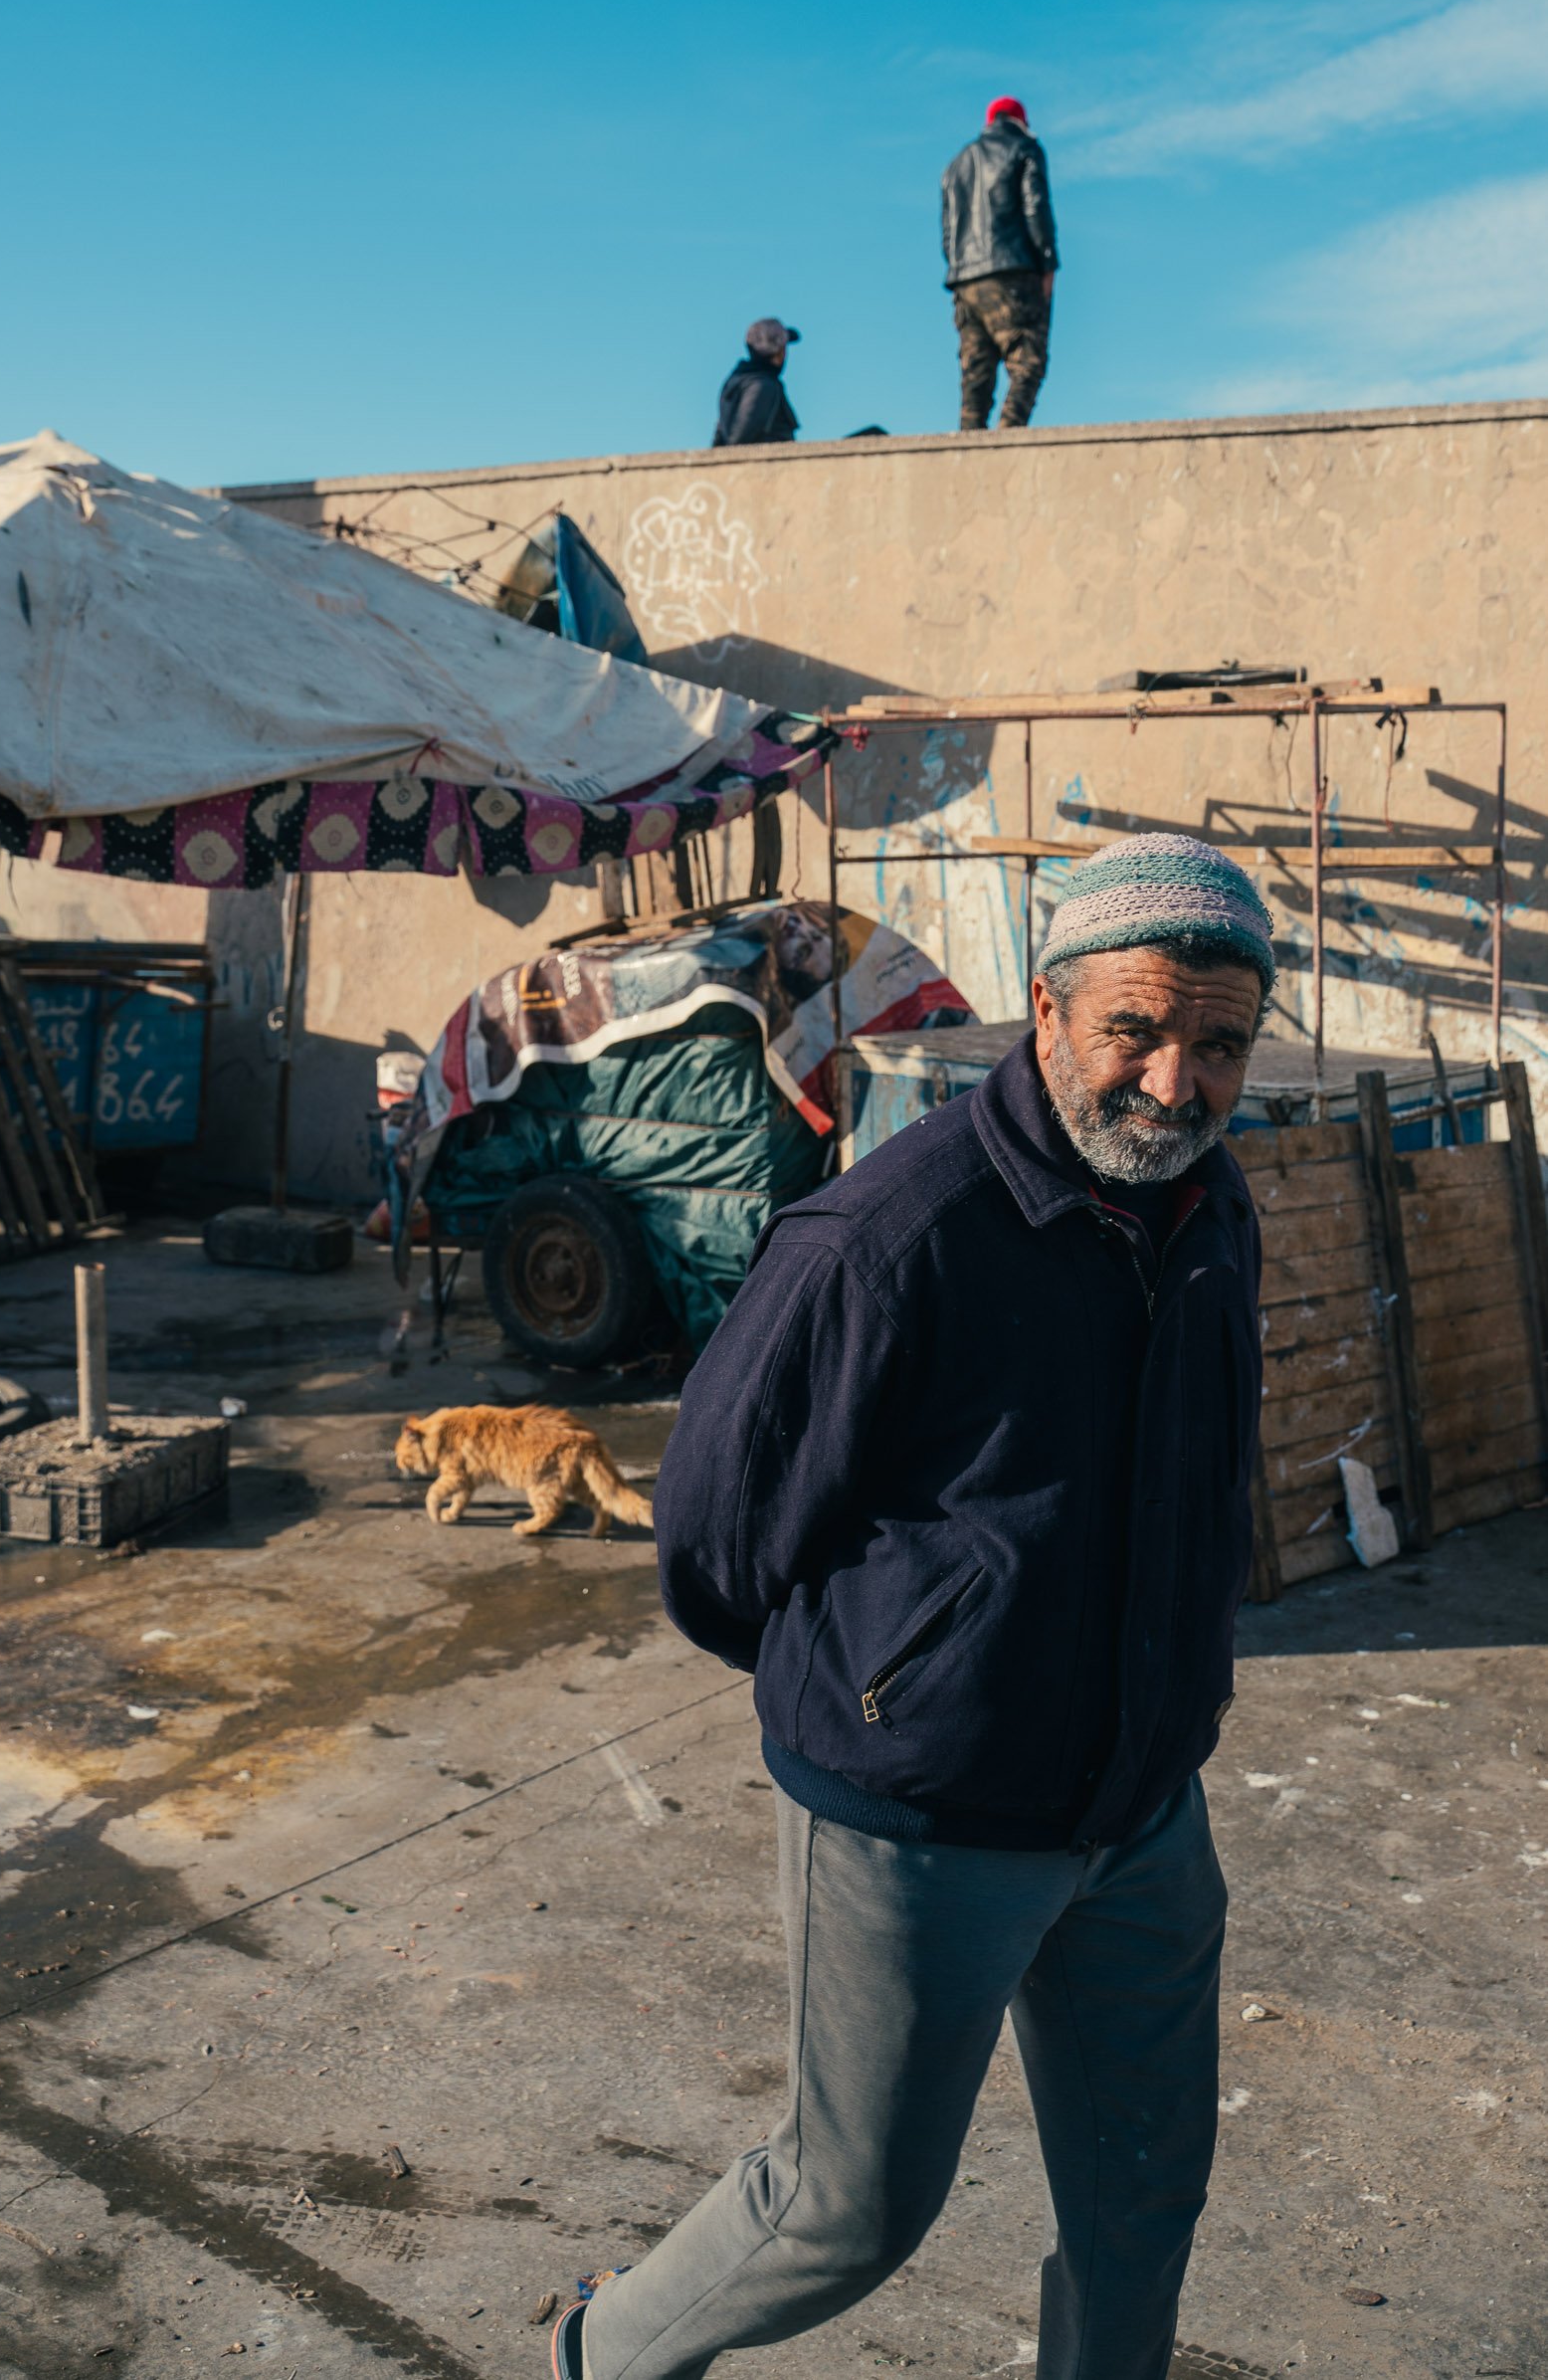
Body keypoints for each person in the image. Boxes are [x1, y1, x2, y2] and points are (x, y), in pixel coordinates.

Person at [551, 834, 1274, 2380]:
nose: (1173, 1084)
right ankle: (596, 2355)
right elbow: (712, 1536)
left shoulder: (1211, 1210)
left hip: (1141, 1813)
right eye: (1134, 1031)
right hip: (919, 1829)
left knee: (1142, 2200)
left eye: (1217, 1045)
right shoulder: (889, 1237)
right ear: (1046, 1009)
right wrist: (898, 1687)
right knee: (846, 2207)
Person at [941, 95, 1059, 430]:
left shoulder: (957, 163)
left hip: (965, 281)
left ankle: (969, 446)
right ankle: (1009, 437)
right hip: (1013, 272)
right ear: (1021, 121)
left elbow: (948, 233)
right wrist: (1048, 263)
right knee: (1028, 362)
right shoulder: (1025, 148)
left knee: (975, 378)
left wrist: (959, 271)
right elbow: (1036, 208)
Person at [712, 318, 801, 447]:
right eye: (783, 348)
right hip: (764, 459)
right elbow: (740, 438)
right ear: (779, 353)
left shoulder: (737, 380)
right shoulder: (763, 385)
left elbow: (720, 433)